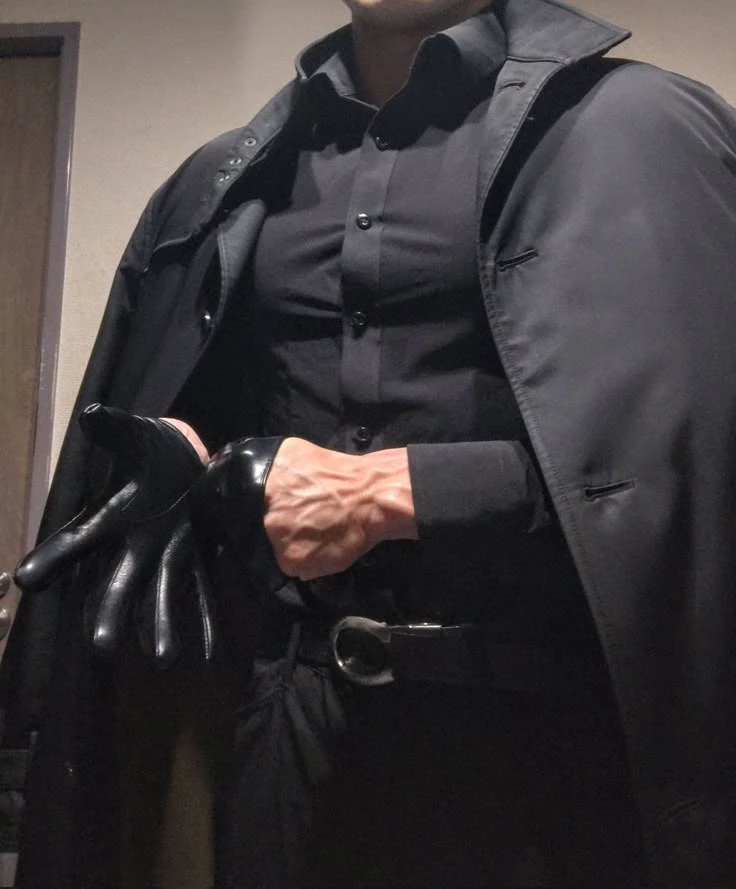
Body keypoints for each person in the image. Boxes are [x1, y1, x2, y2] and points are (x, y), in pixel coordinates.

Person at [3, 0, 736, 886]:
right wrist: (195, 480)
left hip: (553, 749)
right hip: (282, 730)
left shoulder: (645, 129)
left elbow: (697, 459)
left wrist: (401, 491)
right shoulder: (224, 177)